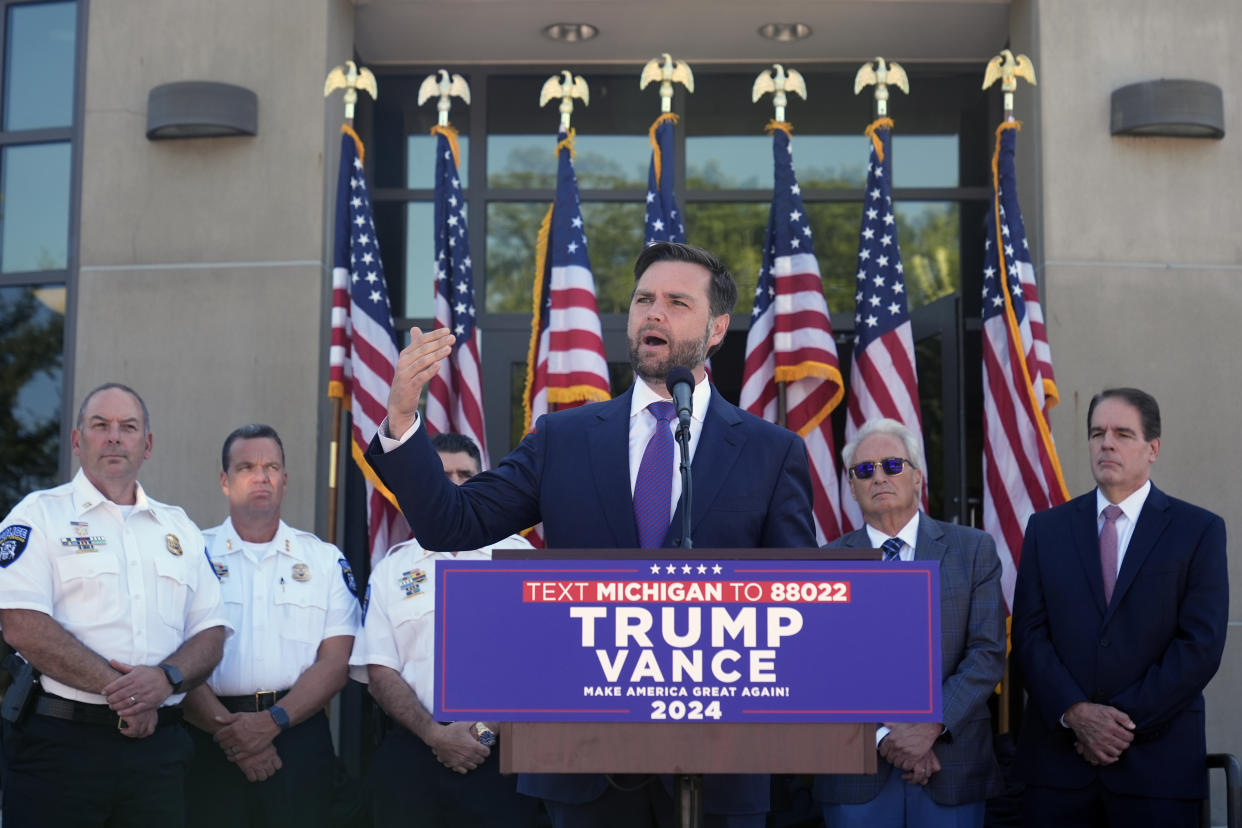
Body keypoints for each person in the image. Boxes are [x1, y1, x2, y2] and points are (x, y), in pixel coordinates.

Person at [366, 241, 817, 827]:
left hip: (721, 769)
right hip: (586, 772)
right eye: (644, 300)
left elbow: (798, 603)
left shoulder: (771, 452)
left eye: (677, 302)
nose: (654, 313)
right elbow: (451, 523)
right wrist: (402, 417)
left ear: (717, 329)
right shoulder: (564, 438)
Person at [0, 383, 229, 828]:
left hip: (158, 754)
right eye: (99, 425)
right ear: (76, 440)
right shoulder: (36, 516)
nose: (113, 437)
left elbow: (211, 631)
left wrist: (165, 680)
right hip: (59, 748)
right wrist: (129, 697)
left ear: (147, 444)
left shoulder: (178, 527)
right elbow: (21, 625)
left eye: (127, 427)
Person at [1012, 387, 1228, 827]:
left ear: (1153, 449)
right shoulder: (1046, 529)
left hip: (1157, 772)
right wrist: (1075, 713)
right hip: (1057, 773)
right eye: (1097, 433)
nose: (1106, 443)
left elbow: (1200, 646)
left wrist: (1115, 725)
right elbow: (1029, 637)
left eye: (1122, 433)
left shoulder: (1198, 530)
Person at [813, 418, 1005, 828]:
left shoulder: (973, 551)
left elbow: (987, 653)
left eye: (892, 466)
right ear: (851, 486)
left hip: (951, 766)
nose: (878, 476)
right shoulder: (827, 563)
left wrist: (930, 726)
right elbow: (822, 670)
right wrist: (887, 737)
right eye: (864, 470)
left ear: (918, 477)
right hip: (858, 773)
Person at [352, 432, 540, 827]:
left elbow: (541, 664)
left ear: (484, 479)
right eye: (442, 475)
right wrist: (435, 737)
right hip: (415, 756)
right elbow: (380, 669)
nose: (455, 485)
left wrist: (484, 734)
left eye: (466, 475)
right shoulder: (392, 569)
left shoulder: (520, 558)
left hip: (501, 758)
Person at [181, 424, 359, 827]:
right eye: (246, 467)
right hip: (209, 736)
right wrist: (233, 736)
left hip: (297, 737)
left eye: (271, 466)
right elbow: (173, 654)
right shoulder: (192, 553)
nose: (261, 476)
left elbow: (336, 663)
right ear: (225, 481)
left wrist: (271, 723)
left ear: (284, 480)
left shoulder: (323, 560)